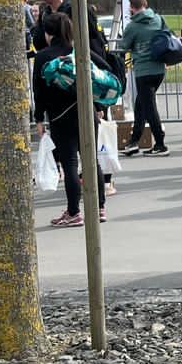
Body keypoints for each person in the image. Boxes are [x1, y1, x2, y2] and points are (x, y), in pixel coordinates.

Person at [33, 12, 108, 227]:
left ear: (48, 34)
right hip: (87, 111)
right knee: (91, 160)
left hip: (60, 115)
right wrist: (100, 105)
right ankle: (100, 207)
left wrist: (39, 118)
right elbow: (103, 71)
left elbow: (39, 91)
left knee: (70, 163)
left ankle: (74, 211)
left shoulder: (43, 57)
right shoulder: (80, 51)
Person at [118, 0, 168, 156]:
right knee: (141, 104)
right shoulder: (158, 19)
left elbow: (124, 45)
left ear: (131, 6)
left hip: (143, 71)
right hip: (159, 68)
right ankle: (134, 141)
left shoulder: (132, 26)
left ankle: (160, 143)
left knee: (149, 108)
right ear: (145, 3)